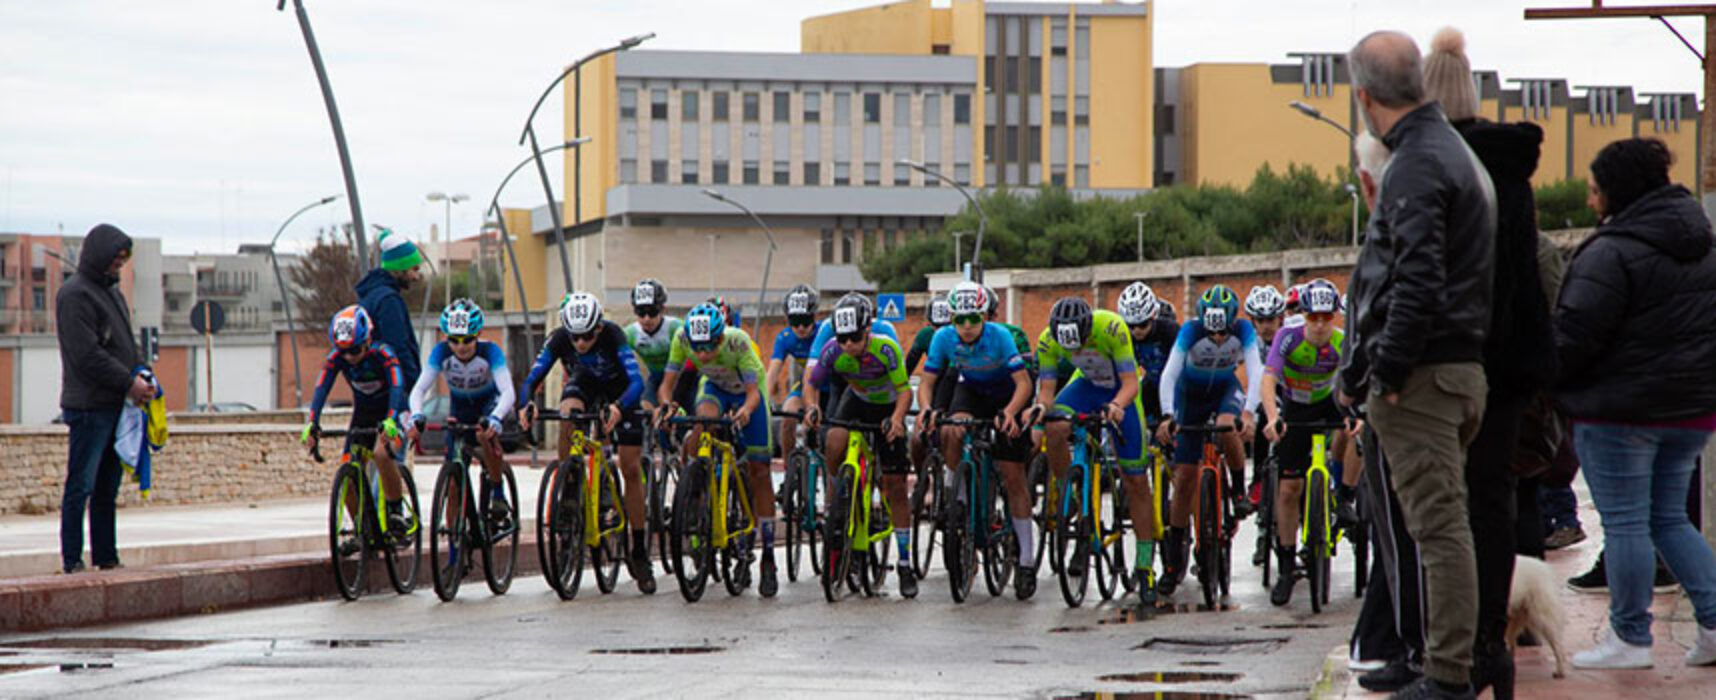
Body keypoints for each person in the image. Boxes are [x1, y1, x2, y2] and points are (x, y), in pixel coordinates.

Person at [1339, 29, 1496, 700]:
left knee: (1437, 528)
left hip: (1425, 379)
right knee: (1437, 525)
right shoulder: (1446, 152)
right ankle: (1443, 662)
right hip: (1450, 370)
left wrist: (1389, 374)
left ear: (1366, 97)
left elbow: (1414, 281)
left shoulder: (1417, 164)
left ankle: (1447, 674)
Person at [1422, 27, 1557, 697]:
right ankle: (1490, 650)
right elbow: (1526, 272)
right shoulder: (1511, 168)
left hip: (1451, 360)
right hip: (1510, 364)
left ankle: (1449, 652)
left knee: (1443, 512)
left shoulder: (1435, 167)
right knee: (1494, 503)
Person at [1554, 137, 1716, 669]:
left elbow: (1575, 335)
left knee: (1625, 523)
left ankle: (1629, 637)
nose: (1591, 200)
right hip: (1690, 409)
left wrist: (1550, 381)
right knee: (1670, 518)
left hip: (1619, 412)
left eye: (1597, 189)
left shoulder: (1612, 250)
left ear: (1619, 190)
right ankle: (1714, 625)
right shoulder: (1703, 242)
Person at [519, 292, 654, 594]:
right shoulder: (559, 338)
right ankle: (570, 481)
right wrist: (527, 405)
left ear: (599, 328)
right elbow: (532, 380)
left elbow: (637, 383)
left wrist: (620, 407)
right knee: (568, 412)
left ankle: (640, 549)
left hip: (621, 389)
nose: (580, 343)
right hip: (586, 382)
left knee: (631, 468)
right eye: (574, 337)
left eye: (587, 336)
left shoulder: (614, 334)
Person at [1034, 296, 1156, 612]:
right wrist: (1038, 409)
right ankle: (1070, 491)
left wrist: (1117, 406)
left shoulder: (1112, 328)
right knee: (1055, 427)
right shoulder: (1048, 340)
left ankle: (1144, 567)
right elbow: (1046, 392)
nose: (1074, 352)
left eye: (1080, 345)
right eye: (1069, 348)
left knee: (1136, 480)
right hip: (1085, 386)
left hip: (1121, 390)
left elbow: (1131, 383)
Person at [917, 280, 1038, 599]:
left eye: (974, 319)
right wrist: (927, 409)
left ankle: (1026, 561)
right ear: (952, 318)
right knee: (951, 428)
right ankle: (958, 496)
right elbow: (927, 381)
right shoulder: (943, 338)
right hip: (972, 390)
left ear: (985, 317)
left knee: (1013, 475)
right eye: (960, 320)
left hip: (1008, 393)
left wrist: (1011, 413)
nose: (967, 326)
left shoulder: (1000, 337)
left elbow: (1024, 383)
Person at [654, 302, 778, 596]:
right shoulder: (682, 338)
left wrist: (746, 411)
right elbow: (666, 386)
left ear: (720, 338)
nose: (700, 354)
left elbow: (752, 394)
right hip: (714, 388)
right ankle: (698, 492)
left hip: (748, 392)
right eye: (696, 348)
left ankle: (768, 557)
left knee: (759, 470)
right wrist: (667, 405)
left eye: (707, 347)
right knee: (702, 427)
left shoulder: (738, 341)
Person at [802, 296, 917, 597]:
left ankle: (904, 563)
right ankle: (839, 493)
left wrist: (896, 420)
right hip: (857, 401)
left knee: (895, 486)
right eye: (843, 339)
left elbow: (905, 393)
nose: (849, 344)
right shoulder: (832, 352)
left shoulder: (886, 349)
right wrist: (812, 407)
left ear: (868, 330)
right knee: (835, 439)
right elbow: (812, 384)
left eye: (855, 337)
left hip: (889, 405)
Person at [1153, 284, 1263, 598]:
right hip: (1190, 397)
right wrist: (1167, 415)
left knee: (1228, 427)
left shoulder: (1243, 329)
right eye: (1211, 334)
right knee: (1185, 478)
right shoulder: (1189, 330)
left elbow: (1256, 372)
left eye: (1222, 334)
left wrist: (1250, 413)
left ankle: (1239, 490)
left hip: (1224, 390)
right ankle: (1173, 562)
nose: (1217, 339)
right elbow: (1170, 375)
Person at [56, 223, 151, 574]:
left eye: (123, 260)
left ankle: (106, 556)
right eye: (115, 258)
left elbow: (126, 342)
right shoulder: (75, 295)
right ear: (100, 256)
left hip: (116, 405)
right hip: (89, 407)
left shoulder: (112, 294)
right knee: (80, 484)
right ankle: (72, 559)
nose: (119, 266)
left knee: (106, 489)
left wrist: (141, 373)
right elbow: (87, 355)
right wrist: (128, 382)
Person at [1259, 279, 1348, 608]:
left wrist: (1355, 414)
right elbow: (1268, 380)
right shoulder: (1287, 338)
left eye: (1327, 317)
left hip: (1328, 403)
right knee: (1288, 490)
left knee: (1354, 430)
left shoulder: (1341, 342)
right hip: (1294, 406)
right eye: (1314, 318)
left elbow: (1355, 383)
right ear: (1304, 317)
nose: (1321, 325)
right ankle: (1285, 566)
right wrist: (1271, 417)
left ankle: (1346, 494)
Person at [406, 299, 516, 533]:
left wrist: (496, 417)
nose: (461, 346)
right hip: (460, 411)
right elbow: (419, 390)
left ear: (478, 334)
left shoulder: (490, 352)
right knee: (454, 479)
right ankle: (454, 540)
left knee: (484, 435)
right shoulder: (441, 353)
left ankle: (497, 492)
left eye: (467, 339)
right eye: (454, 340)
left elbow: (508, 392)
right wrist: (417, 415)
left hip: (488, 406)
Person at [303, 305, 412, 535]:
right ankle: (364, 533)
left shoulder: (383, 353)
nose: (349, 357)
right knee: (348, 474)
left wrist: (392, 419)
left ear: (368, 339)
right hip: (363, 414)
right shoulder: (337, 357)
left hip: (393, 409)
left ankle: (396, 512)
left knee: (382, 455)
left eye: (354, 350)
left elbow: (397, 385)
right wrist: (313, 422)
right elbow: (321, 388)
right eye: (343, 352)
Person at [356, 229, 425, 397]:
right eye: (414, 269)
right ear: (399, 269)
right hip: (394, 389)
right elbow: (398, 347)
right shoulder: (389, 301)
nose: (416, 277)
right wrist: (415, 388)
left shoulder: (370, 295)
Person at [1243, 285, 1287, 521]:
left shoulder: (1289, 335)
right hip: (1263, 393)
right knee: (1260, 414)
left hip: (1289, 390)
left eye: (1271, 319)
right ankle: (1259, 479)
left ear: (1280, 318)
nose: (1266, 326)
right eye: (1260, 320)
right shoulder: (1252, 343)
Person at [768, 284, 820, 460]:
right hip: (801, 385)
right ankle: (788, 468)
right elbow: (773, 372)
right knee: (787, 416)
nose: (800, 328)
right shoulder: (785, 338)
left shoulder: (823, 333)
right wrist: (764, 399)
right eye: (794, 322)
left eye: (805, 321)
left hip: (824, 385)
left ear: (815, 317)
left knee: (813, 424)